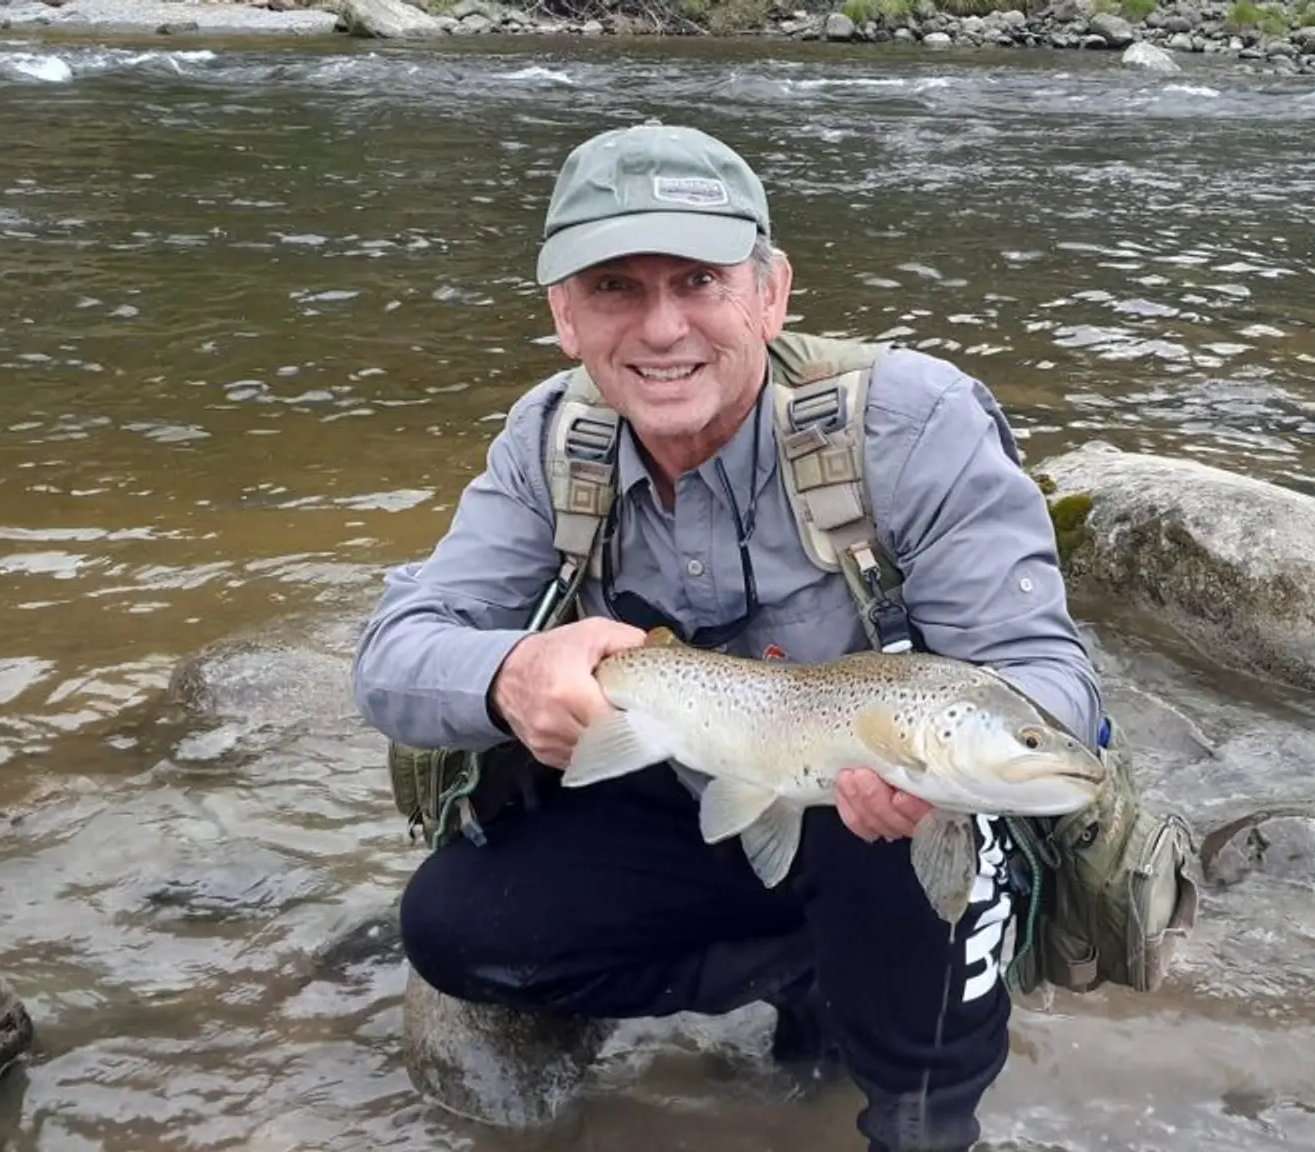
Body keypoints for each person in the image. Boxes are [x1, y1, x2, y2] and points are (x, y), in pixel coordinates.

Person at [350, 121, 1106, 1152]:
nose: (663, 328)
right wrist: (510, 674)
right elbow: (394, 654)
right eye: (615, 286)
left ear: (770, 292)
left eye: (700, 281)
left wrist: (985, 761)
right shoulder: (549, 441)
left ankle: (918, 1104)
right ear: (564, 315)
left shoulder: (914, 423)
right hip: (690, 778)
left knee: (911, 917)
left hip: (876, 818)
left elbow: (1044, 672)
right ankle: (800, 970)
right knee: (456, 928)